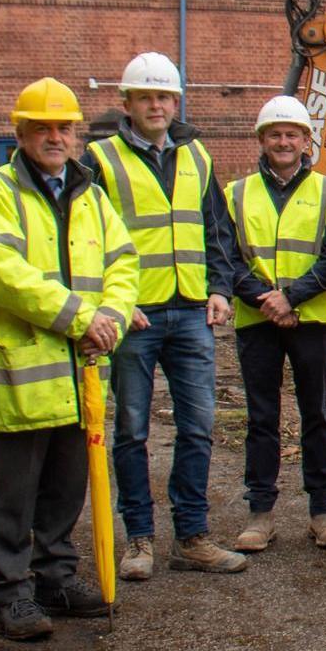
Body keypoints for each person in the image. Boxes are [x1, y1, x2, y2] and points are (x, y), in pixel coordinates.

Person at [0, 78, 139, 639]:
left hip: (83, 369)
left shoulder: (91, 195)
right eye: (43, 128)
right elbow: (2, 273)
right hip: (25, 371)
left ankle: (54, 578)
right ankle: (12, 595)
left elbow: (124, 262)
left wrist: (112, 313)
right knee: (15, 492)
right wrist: (84, 318)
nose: (55, 137)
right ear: (21, 133)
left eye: (64, 127)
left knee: (67, 485)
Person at [84, 51, 245, 577]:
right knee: (132, 430)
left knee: (198, 427)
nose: (157, 105)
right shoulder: (99, 159)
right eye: (146, 97)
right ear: (126, 102)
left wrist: (219, 289)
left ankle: (192, 536)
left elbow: (217, 228)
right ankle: (140, 540)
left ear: (176, 102)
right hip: (135, 318)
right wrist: (113, 304)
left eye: (165, 97)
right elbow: (85, 242)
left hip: (192, 314)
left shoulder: (197, 155)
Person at [225, 95, 326, 555]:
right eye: (275, 134)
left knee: (316, 414)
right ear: (262, 140)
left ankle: (323, 511)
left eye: (292, 134)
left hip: (311, 319)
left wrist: (292, 297)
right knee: (262, 417)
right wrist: (266, 300)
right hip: (257, 320)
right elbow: (226, 257)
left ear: (306, 141)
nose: (283, 141)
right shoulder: (235, 194)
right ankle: (260, 513)